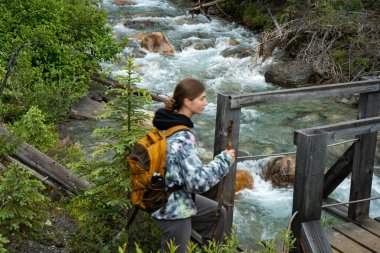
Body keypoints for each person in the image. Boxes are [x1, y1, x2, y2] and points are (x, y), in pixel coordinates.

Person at [151, 77, 235, 253]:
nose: (206, 102)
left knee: (216, 214)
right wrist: (224, 160)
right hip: (173, 208)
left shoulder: (165, 125)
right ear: (187, 102)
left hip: (159, 195)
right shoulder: (183, 136)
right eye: (202, 98)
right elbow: (198, 183)